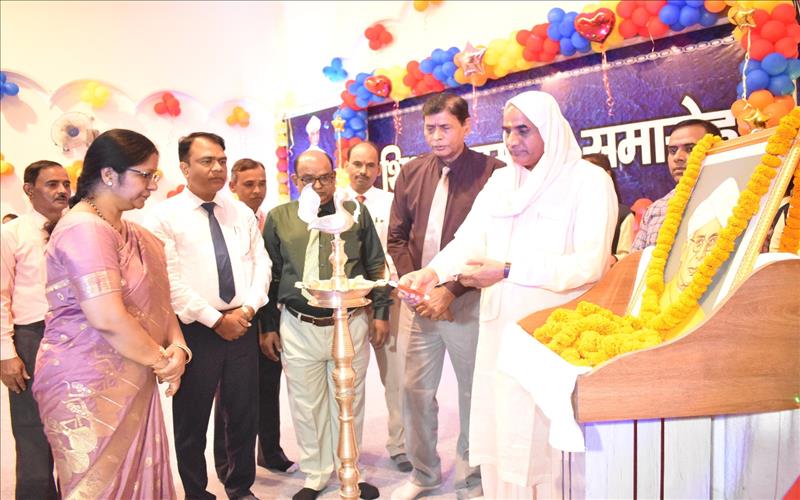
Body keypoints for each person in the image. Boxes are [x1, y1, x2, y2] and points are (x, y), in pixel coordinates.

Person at [398, 91, 617, 498]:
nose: (513, 141)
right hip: (499, 331)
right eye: (506, 131)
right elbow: (470, 240)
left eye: (523, 130)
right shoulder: (502, 182)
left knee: (548, 441)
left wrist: (508, 270)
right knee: (504, 431)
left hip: (551, 335)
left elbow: (590, 265)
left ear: (549, 130)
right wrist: (432, 272)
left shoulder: (587, 181)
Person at [31, 130, 189, 498]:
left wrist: (179, 347)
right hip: (86, 385)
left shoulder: (137, 234)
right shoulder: (84, 229)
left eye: (154, 175)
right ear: (108, 175)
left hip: (135, 371)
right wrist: (162, 361)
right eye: (145, 174)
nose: (153, 185)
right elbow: (107, 318)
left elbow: (160, 301)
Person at [388, 92, 505, 500]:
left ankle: (471, 480)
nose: (436, 137)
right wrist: (414, 284)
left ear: (467, 126)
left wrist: (449, 290)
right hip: (419, 303)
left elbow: (491, 244)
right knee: (414, 391)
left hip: (468, 299)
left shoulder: (494, 174)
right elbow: (397, 236)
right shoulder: (411, 172)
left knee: (474, 392)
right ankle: (424, 475)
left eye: (445, 128)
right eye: (429, 128)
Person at [146, 133, 270, 500]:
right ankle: (196, 491)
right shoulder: (164, 217)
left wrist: (248, 308)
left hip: (242, 322)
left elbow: (261, 264)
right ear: (185, 168)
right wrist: (215, 320)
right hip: (195, 329)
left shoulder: (240, 212)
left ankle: (239, 486)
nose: (217, 168)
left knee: (243, 412)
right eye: (207, 161)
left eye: (221, 160)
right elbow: (169, 280)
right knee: (192, 418)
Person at [262, 150, 389, 500]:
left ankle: (349, 469)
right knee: (306, 404)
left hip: (348, 323)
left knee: (349, 401)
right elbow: (271, 276)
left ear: (335, 177)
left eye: (325, 178)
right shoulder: (280, 218)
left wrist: (381, 313)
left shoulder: (354, 213)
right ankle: (315, 475)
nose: (318, 186)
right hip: (298, 324)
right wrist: (268, 325)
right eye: (308, 179)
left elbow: (375, 263)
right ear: (295, 180)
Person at [213, 158, 295, 479]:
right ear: (232, 185)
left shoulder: (270, 220)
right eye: (249, 184)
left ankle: (270, 452)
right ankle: (227, 464)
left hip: (268, 317)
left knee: (268, 388)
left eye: (262, 183)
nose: (257, 190)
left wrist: (269, 325)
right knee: (230, 398)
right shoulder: (222, 221)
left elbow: (272, 276)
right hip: (233, 319)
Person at [1, 160, 69, 499]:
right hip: (31, 336)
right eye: (52, 184)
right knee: (32, 432)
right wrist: (6, 353)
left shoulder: (79, 229)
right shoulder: (11, 234)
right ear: (29, 190)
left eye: (65, 184)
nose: (62, 191)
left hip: (78, 336)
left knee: (76, 429)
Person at [343, 141, 411, 473]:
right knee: (347, 379)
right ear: (346, 165)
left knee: (397, 376)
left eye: (371, 165)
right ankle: (346, 449)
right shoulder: (333, 204)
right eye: (357, 164)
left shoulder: (391, 202)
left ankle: (401, 445)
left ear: (378, 169)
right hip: (348, 304)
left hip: (390, 301)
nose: (363, 171)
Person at [632, 119, 722, 251]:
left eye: (690, 149)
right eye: (673, 151)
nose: (677, 157)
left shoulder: (735, 201)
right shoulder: (656, 209)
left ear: (716, 150)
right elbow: (636, 261)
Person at [583, 153, 632, 261]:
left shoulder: (623, 215)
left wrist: (613, 259)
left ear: (607, 175)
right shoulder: (574, 213)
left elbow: (628, 255)